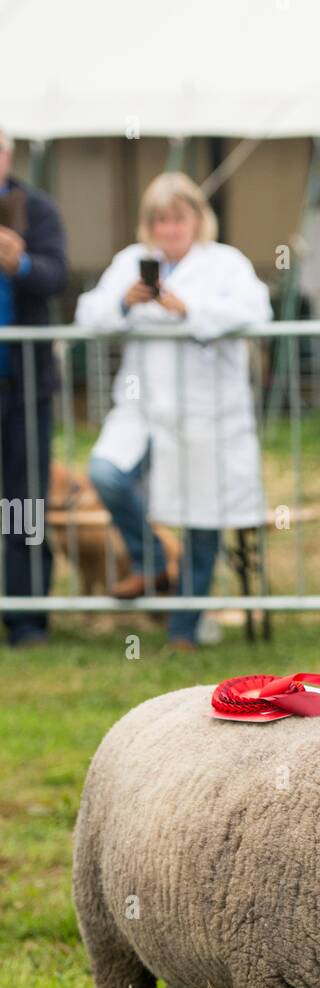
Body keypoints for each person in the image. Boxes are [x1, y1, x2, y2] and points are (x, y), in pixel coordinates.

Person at [74, 172, 271, 649]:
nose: (169, 228)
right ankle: (152, 561)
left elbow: (257, 312)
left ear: (197, 219)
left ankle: (183, 630)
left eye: (178, 218)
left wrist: (189, 311)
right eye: (160, 220)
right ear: (149, 225)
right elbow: (88, 314)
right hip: (143, 407)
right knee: (106, 472)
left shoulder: (225, 264)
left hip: (208, 413)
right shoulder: (131, 263)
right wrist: (124, 302)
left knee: (203, 519)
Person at [0, 127, 67, 648]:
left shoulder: (37, 210)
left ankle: (27, 619)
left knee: (24, 503)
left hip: (24, 385)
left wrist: (19, 264)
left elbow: (56, 276)